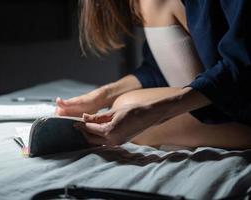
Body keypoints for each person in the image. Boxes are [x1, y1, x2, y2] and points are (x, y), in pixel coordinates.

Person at [56, 0, 251, 149]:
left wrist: (152, 112)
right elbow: (158, 68)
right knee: (125, 104)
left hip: (242, 103)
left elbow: (244, 65)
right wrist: (103, 95)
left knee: (129, 107)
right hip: (228, 96)